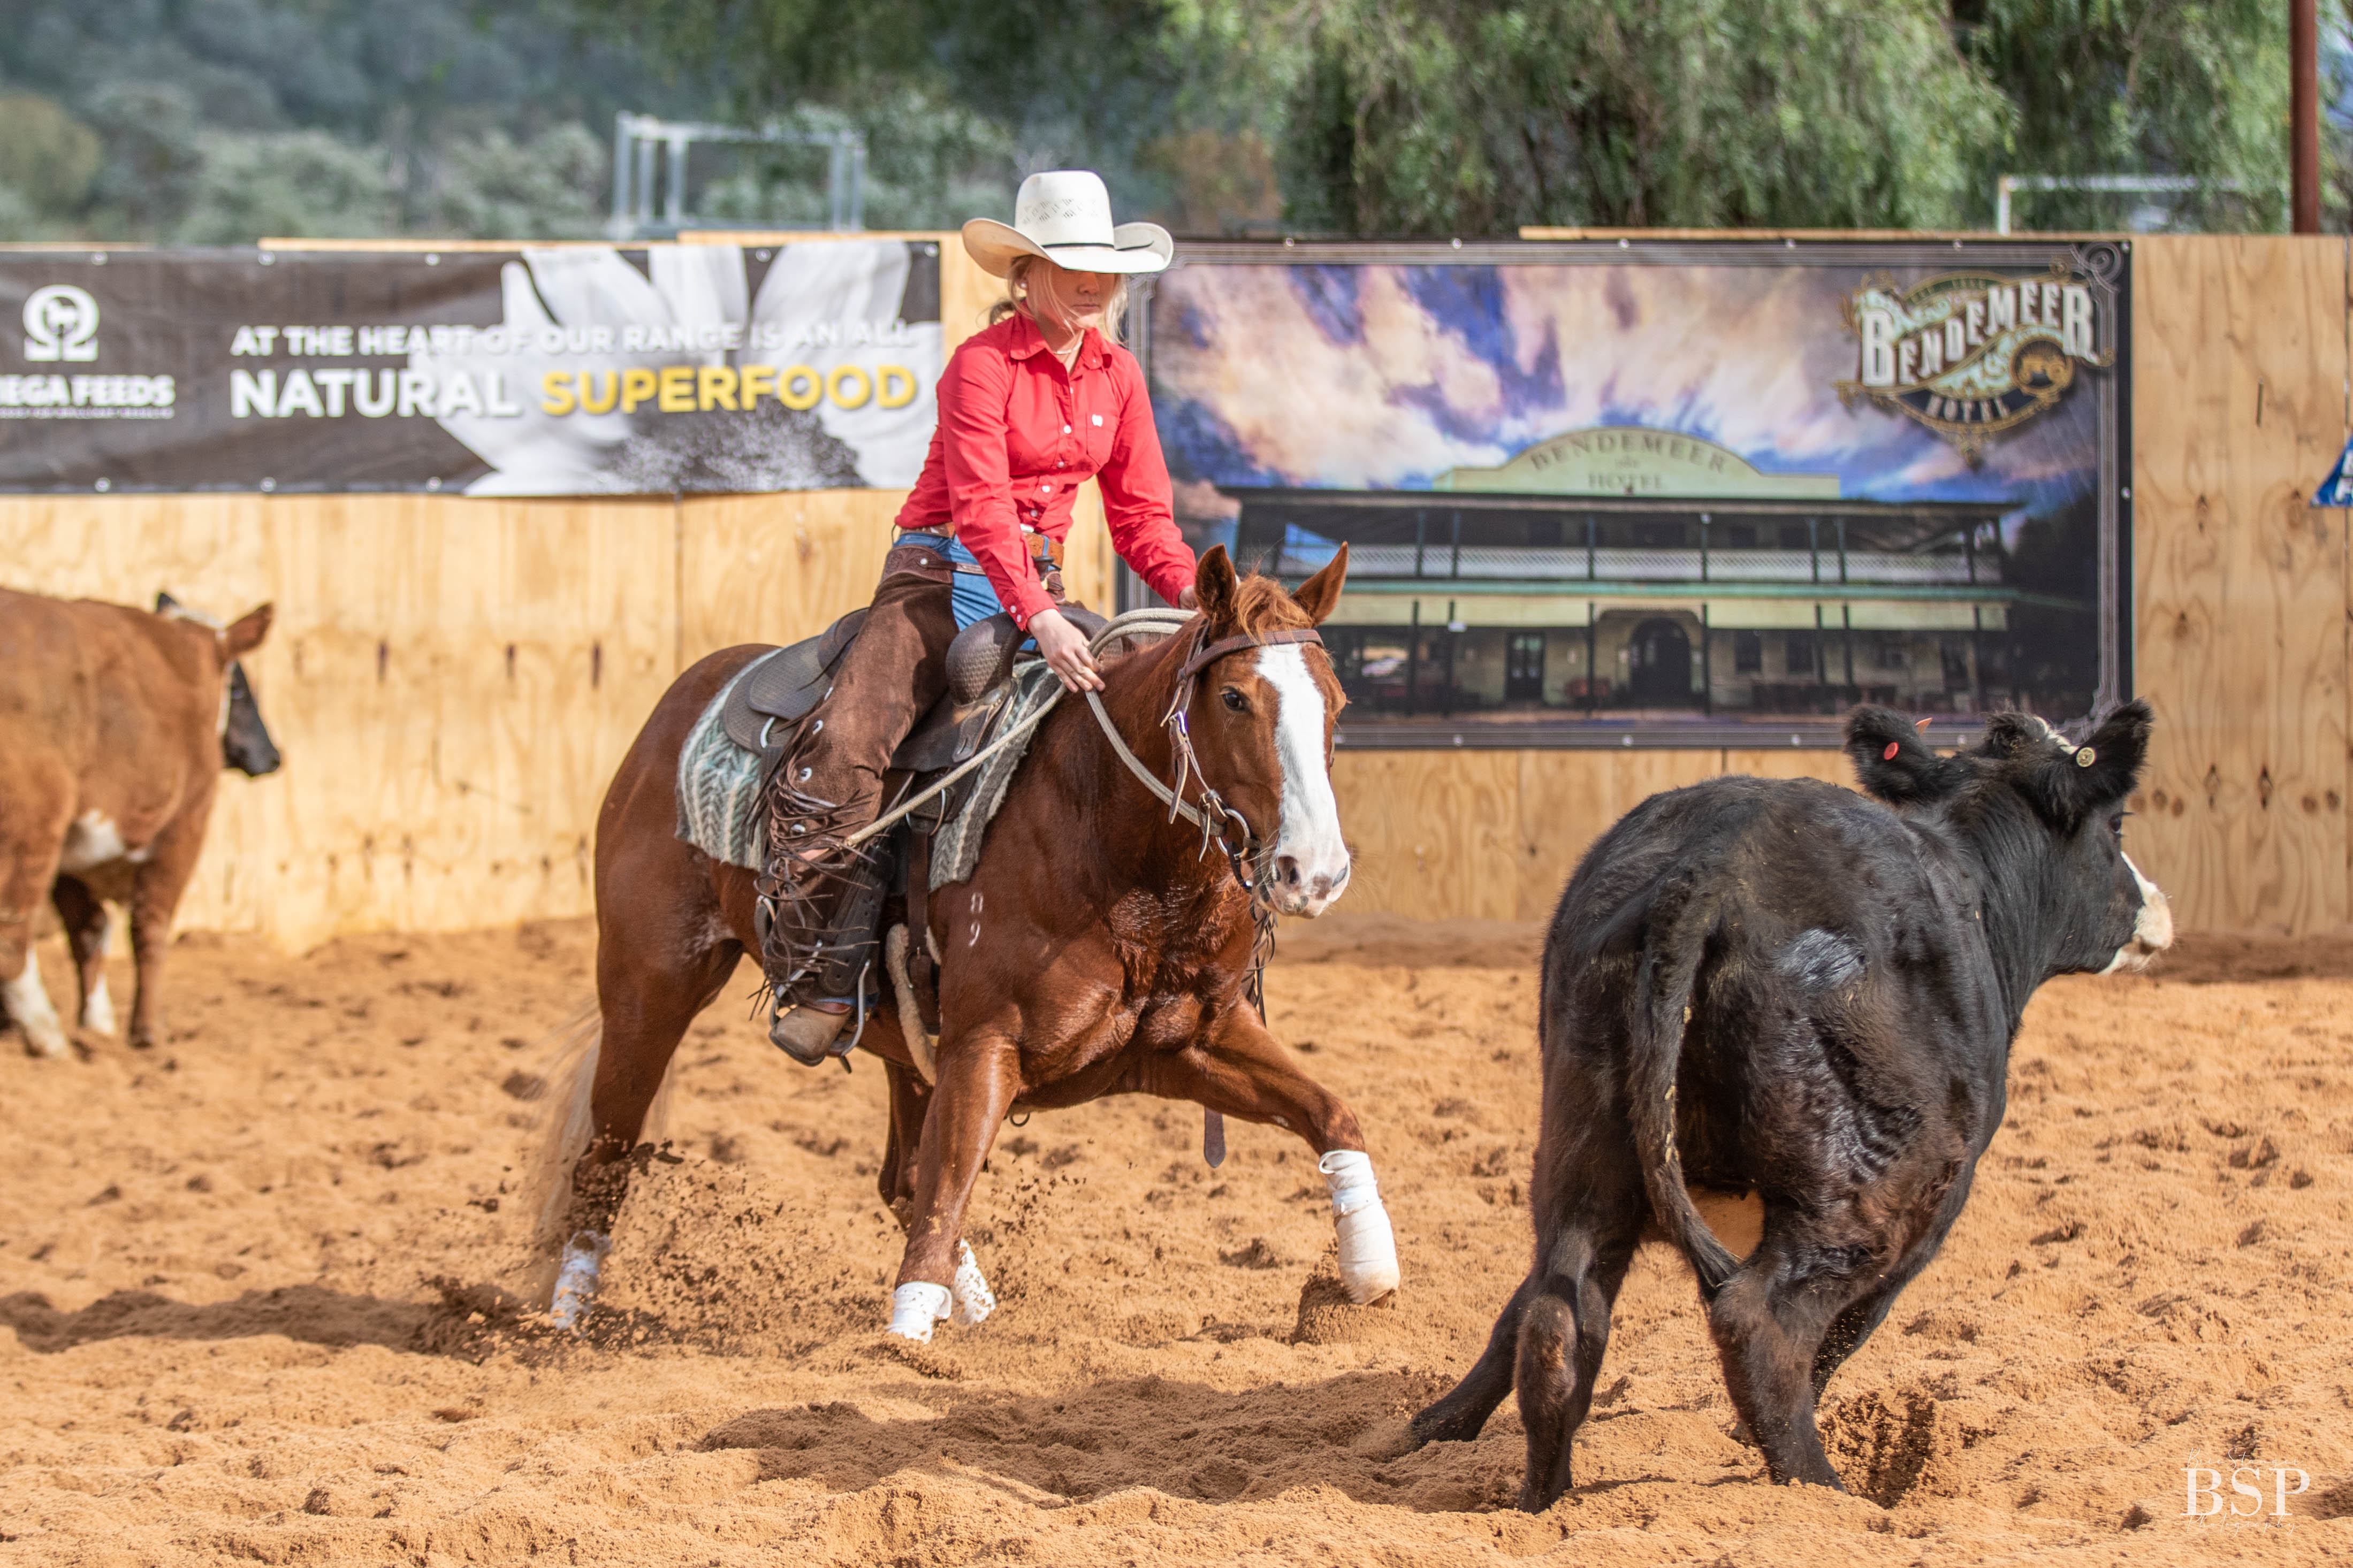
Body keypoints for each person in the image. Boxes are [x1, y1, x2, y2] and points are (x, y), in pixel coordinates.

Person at [758, 170, 1200, 1064]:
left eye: (1104, 267)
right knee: (850, 744)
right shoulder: (982, 365)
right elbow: (981, 508)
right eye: (1070, 264)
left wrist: (1199, 598)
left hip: (1037, 588)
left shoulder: (1118, 375)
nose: (1093, 281)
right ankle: (825, 976)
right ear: (1024, 274)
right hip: (936, 576)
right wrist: (1040, 616)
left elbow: (1142, 518)